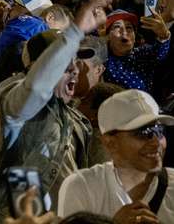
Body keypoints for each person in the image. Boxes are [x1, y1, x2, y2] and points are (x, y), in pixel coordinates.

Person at [0, 0, 111, 222]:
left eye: (75, 61)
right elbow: (36, 89)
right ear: (35, 66)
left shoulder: (76, 118)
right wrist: (74, 32)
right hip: (19, 217)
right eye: (64, 63)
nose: (74, 69)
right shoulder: (11, 97)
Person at [58, 89, 174, 222]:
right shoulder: (82, 186)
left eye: (159, 131)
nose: (155, 142)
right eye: (144, 132)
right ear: (110, 143)